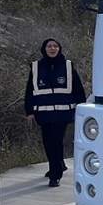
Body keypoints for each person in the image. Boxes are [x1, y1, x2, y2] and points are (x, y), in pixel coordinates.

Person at [24, 39, 87, 187]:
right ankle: (58, 164)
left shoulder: (68, 66)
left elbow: (78, 89)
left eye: (55, 46)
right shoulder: (36, 67)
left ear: (59, 48)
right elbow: (29, 92)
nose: (52, 48)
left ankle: (55, 174)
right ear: (44, 49)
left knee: (56, 142)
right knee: (47, 142)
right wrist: (29, 112)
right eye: (49, 46)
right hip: (43, 114)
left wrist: (83, 110)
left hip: (63, 113)